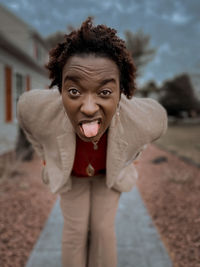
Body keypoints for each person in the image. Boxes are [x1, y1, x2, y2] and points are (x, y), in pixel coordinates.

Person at [17, 17, 168, 267]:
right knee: (75, 232)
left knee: (102, 231)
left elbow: (151, 131)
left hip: (108, 178)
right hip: (73, 177)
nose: (88, 108)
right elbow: (30, 128)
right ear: (60, 89)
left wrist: (132, 157)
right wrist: (45, 155)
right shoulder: (34, 109)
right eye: (75, 91)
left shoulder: (144, 120)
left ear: (122, 92)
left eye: (105, 92)